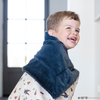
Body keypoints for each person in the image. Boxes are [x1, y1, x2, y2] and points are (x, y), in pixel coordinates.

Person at [8, 10, 80, 100]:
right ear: (52, 33)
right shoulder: (52, 49)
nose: (75, 32)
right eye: (68, 28)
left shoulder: (58, 52)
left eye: (77, 30)